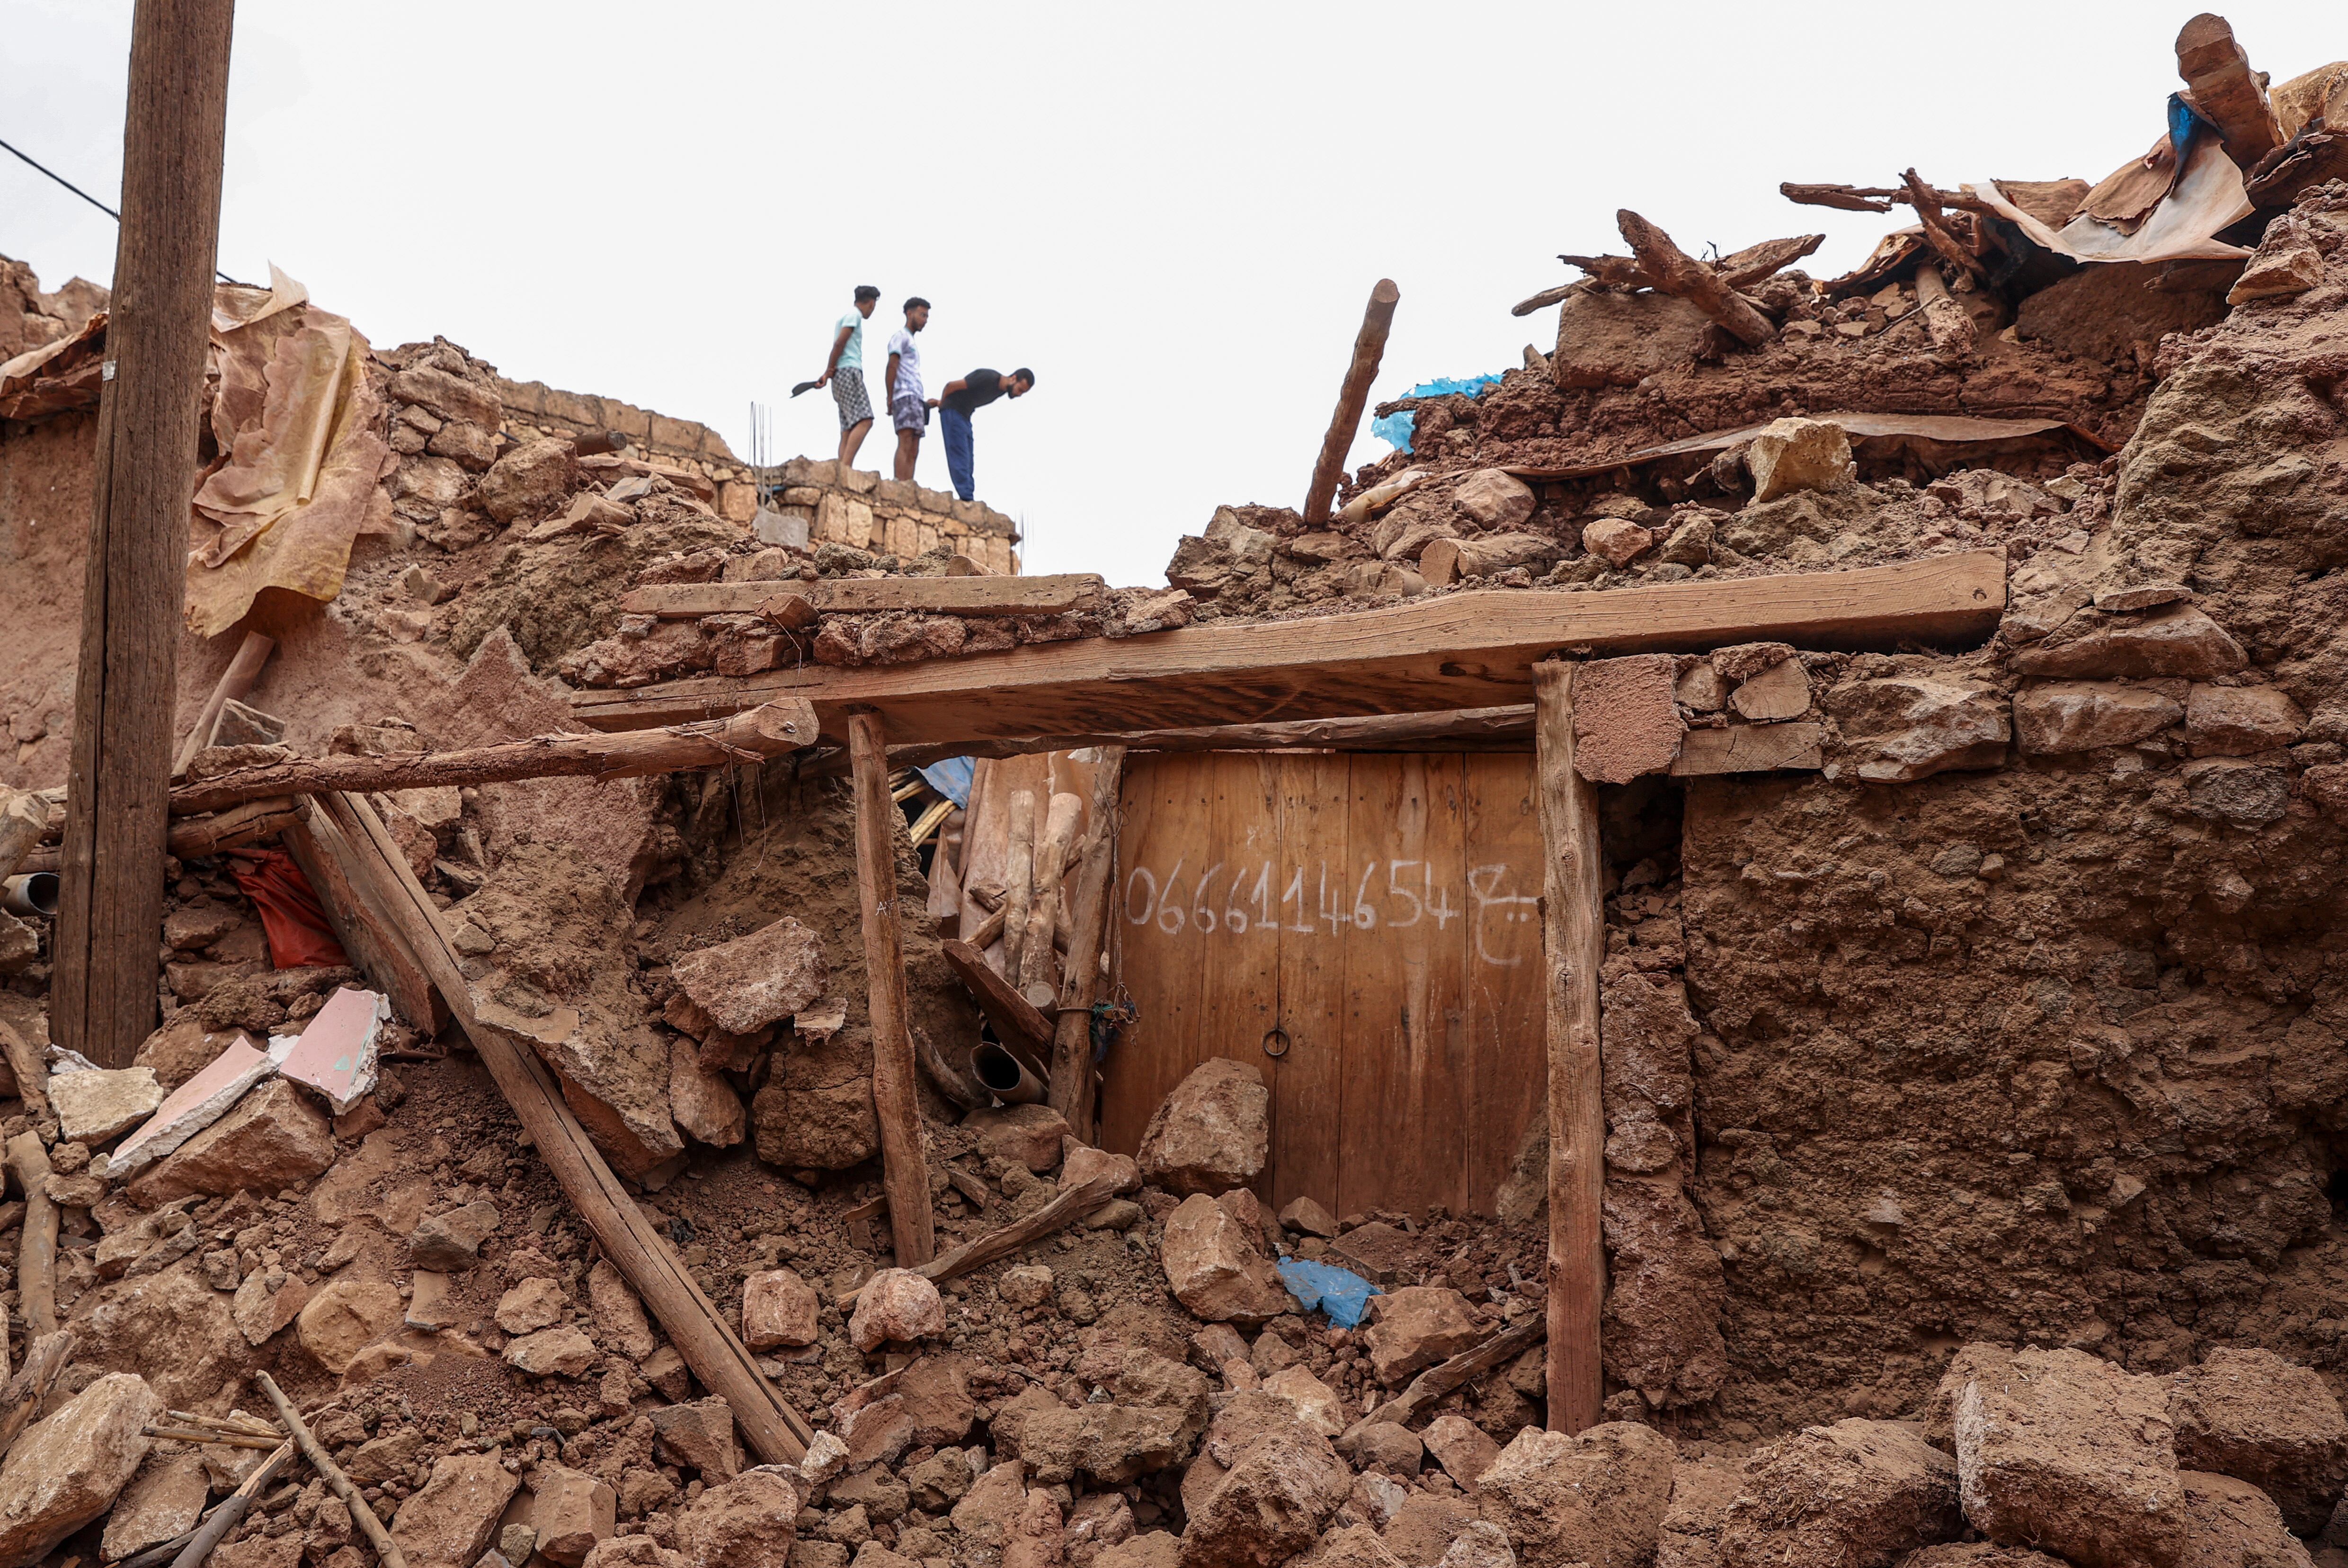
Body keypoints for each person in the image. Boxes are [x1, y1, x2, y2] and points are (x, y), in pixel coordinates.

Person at [933, 366, 1034, 502]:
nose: (1019, 394)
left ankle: (969, 498)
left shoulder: (1001, 391)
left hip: (965, 417)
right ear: (1014, 378)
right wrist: (942, 403)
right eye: (1020, 389)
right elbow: (951, 386)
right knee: (960, 456)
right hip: (953, 412)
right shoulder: (989, 378)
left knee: (969, 461)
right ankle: (967, 499)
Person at [816, 285, 879, 465]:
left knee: (848, 428)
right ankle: (845, 468)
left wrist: (829, 373)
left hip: (839, 374)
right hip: (849, 371)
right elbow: (840, 343)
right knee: (865, 420)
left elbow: (838, 345)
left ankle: (842, 469)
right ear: (872, 303)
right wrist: (828, 370)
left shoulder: (846, 317)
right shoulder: (854, 316)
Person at [885, 297, 931, 481]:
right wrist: (890, 396)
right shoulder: (901, 337)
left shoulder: (912, 341)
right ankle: (899, 482)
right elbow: (892, 366)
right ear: (909, 313)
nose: (925, 320)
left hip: (917, 396)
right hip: (904, 394)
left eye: (927, 317)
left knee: (915, 446)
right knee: (905, 440)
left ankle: (908, 484)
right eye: (922, 315)